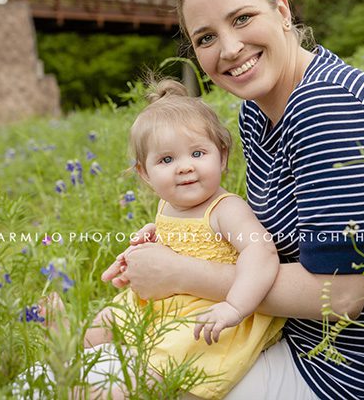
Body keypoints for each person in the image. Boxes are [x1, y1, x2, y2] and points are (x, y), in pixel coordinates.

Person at [101, 0, 364, 399]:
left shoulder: (327, 107)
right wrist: (183, 235)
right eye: (205, 38)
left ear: (281, 9)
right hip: (296, 341)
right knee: (90, 368)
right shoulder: (258, 111)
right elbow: (271, 239)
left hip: (359, 371)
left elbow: (339, 296)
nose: (230, 48)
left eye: (241, 19)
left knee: (99, 386)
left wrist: (179, 272)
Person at [40, 79, 284, 400]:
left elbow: (261, 250)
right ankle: (69, 340)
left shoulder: (227, 209)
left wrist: (235, 306)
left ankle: (107, 391)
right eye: (166, 160)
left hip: (205, 310)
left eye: (198, 153)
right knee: (107, 320)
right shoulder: (166, 205)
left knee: (166, 364)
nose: (184, 167)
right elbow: (181, 237)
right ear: (145, 174)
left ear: (222, 157)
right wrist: (150, 238)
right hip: (161, 303)